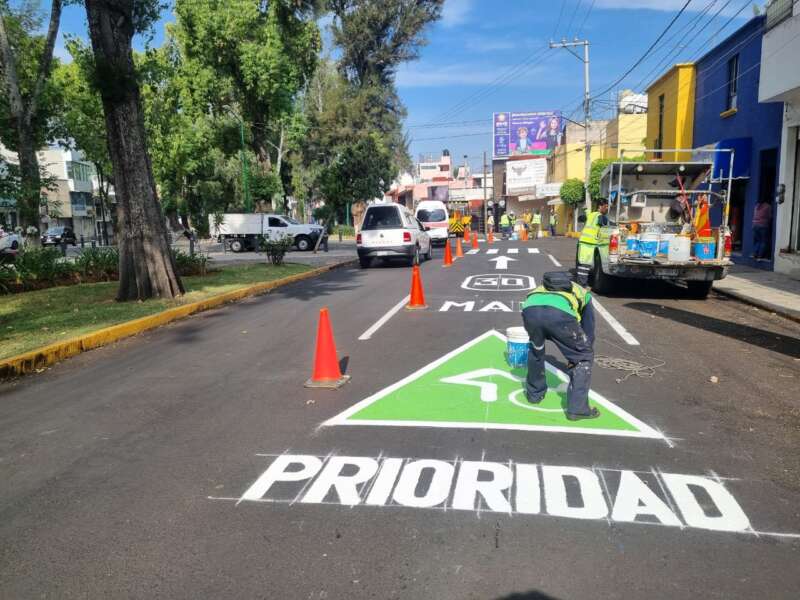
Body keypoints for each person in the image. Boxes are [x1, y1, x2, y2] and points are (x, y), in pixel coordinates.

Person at [521, 271, 599, 420]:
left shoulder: (540, 288)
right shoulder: (583, 293)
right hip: (560, 316)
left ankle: (534, 395)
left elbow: (532, 308)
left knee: (536, 350)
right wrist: (580, 350)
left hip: (530, 311)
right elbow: (588, 330)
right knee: (583, 357)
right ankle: (578, 409)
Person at [576, 198, 610, 286]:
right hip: (588, 244)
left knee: (582, 266)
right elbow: (607, 225)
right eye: (606, 207)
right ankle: (581, 287)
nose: (607, 209)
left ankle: (581, 286)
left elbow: (581, 218)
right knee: (584, 267)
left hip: (584, 243)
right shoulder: (600, 217)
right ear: (600, 206)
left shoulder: (591, 215)